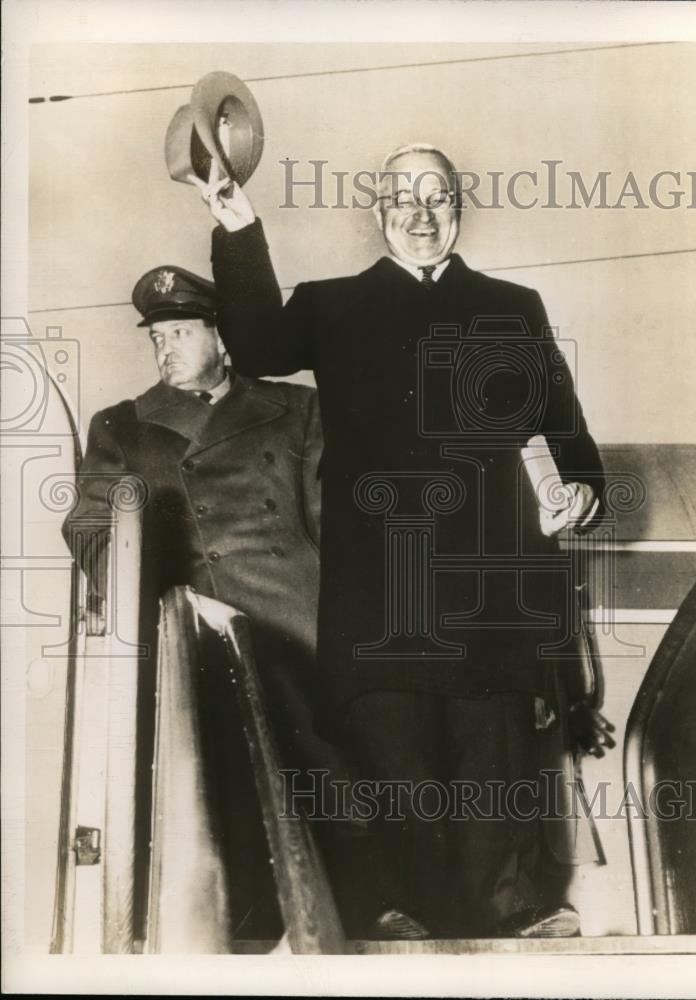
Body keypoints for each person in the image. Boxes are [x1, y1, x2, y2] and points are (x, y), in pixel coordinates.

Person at [197, 144, 613, 940]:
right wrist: (237, 224)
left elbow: (561, 424)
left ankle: (512, 910)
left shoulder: (512, 304)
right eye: (402, 197)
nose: (420, 214)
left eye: (437, 197)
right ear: (378, 210)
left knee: (490, 746)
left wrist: (582, 487)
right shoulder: (328, 305)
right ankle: (402, 913)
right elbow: (255, 347)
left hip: (489, 568)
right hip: (378, 573)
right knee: (392, 744)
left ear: (457, 205)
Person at [62, 265, 350, 942]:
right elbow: (92, 527)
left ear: (224, 340)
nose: (165, 348)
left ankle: (347, 924)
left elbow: (335, 524)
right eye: (157, 337)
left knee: (326, 784)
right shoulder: (123, 426)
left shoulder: (298, 408)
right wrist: (141, 603)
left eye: (182, 332)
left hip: (298, 622)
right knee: (212, 794)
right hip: (188, 630)